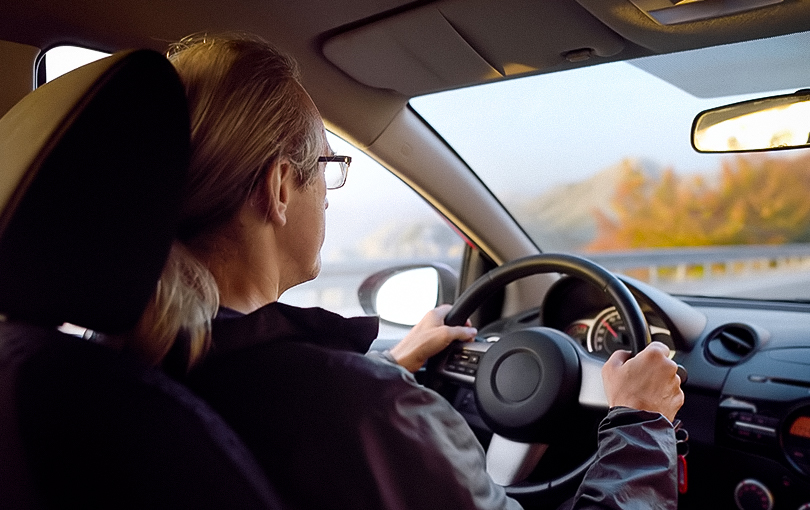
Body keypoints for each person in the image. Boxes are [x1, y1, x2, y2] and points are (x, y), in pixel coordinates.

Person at [122, 33, 684, 509]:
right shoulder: (365, 409)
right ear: (277, 188)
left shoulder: (124, 365)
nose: (328, 195)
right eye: (326, 165)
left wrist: (393, 365)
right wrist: (639, 421)